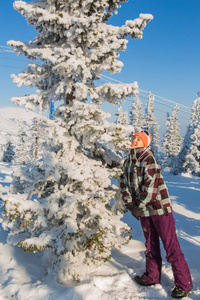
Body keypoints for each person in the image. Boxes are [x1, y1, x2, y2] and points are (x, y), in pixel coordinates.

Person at [120, 130, 193, 299]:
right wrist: (129, 203)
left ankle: (184, 283)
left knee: (170, 246)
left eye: (139, 138)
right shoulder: (128, 161)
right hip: (143, 209)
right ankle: (152, 277)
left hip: (159, 208)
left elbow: (151, 188)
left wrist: (137, 204)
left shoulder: (148, 159)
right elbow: (123, 182)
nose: (135, 140)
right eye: (134, 138)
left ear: (145, 143)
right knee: (150, 245)